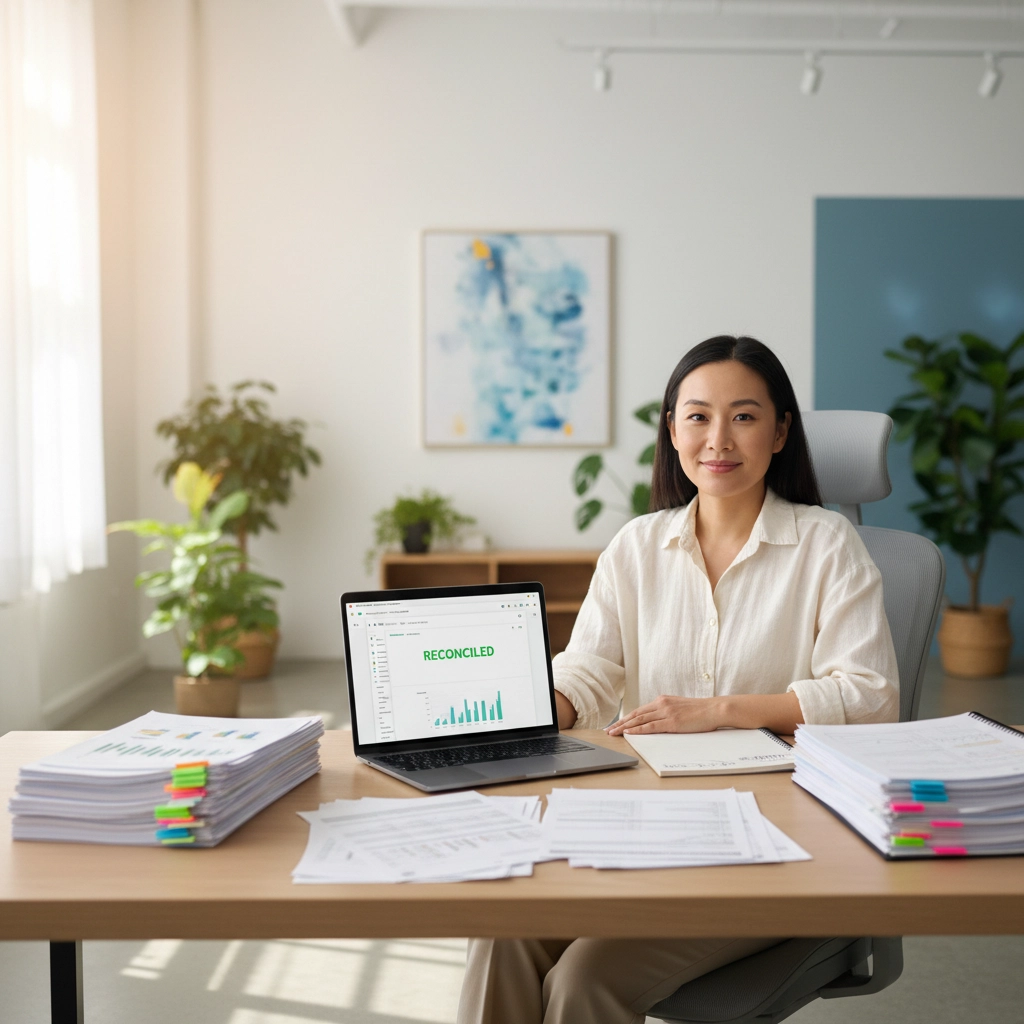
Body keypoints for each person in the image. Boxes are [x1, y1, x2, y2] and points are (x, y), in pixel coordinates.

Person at [457, 336, 899, 1024]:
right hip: (648, 829)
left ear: (781, 431)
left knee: (583, 981)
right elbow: (590, 668)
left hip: (778, 844)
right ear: (672, 429)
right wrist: (528, 706)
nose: (718, 439)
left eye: (745, 417)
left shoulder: (826, 542)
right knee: (502, 937)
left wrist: (720, 711)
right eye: (697, 416)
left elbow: (870, 699)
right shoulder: (637, 544)